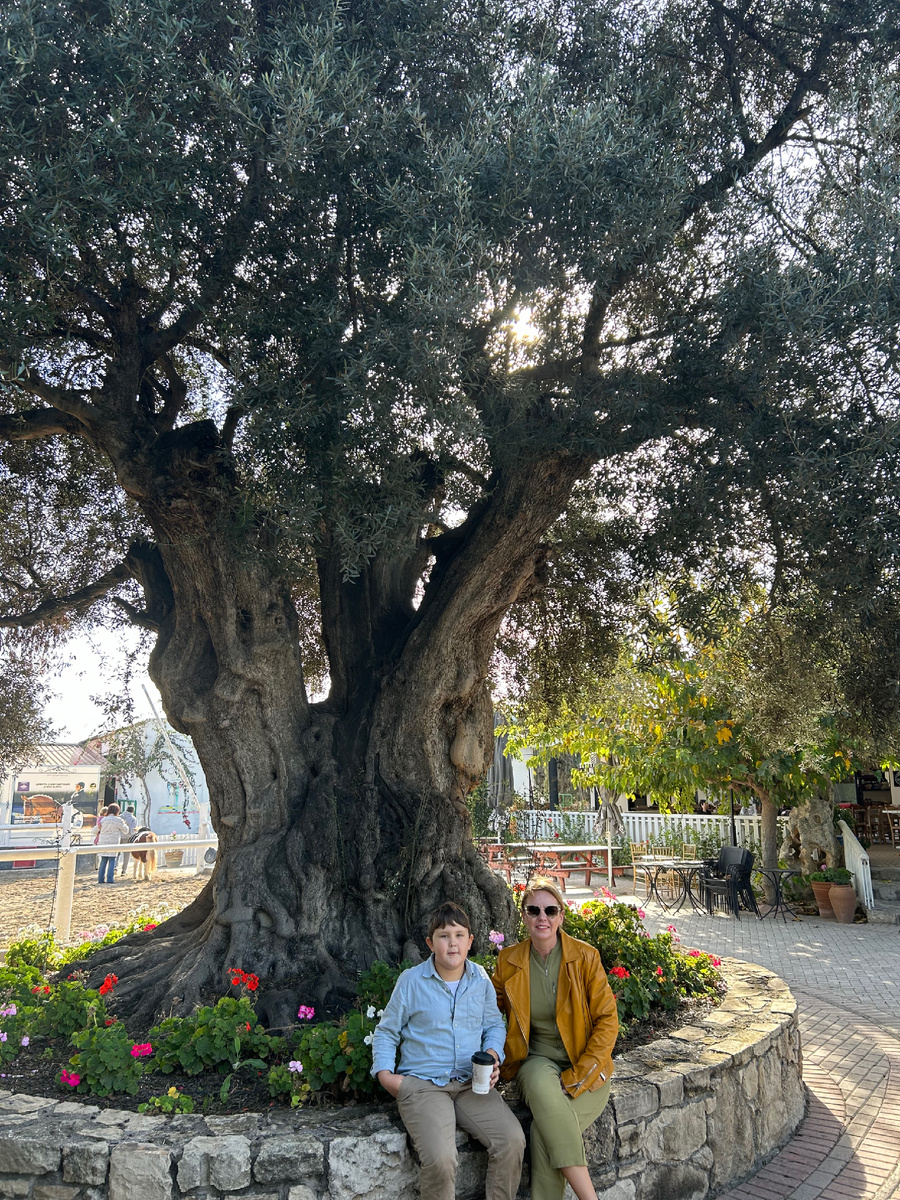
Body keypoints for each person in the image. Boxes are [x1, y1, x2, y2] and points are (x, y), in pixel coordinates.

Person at [371, 901, 525, 1200]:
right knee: (442, 1160)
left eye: (458, 935)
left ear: (470, 941)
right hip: (424, 1086)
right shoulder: (412, 982)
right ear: (430, 943)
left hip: (472, 1084)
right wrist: (387, 1077)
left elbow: (493, 1026)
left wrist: (493, 1057)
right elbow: (387, 1032)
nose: (451, 942)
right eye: (443, 935)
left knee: (512, 1140)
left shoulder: (480, 979)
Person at [492, 877, 619, 1200]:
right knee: (540, 1089)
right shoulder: (508, 961)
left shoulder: (585, 958)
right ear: (523, 916)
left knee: (542, 1130)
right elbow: (489, 1015)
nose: (542, 918)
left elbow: (607, 1020)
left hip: (586, 1065)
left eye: (550, 910)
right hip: (535, 1061)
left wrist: (580, 1075)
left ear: (562, 915)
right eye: (533, 910)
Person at [94, 803, 129, 885]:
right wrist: (125, 824)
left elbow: (94, 830)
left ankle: (100, 879)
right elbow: (126, 830)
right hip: (113, 842)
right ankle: (110, 879)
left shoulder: (103, 820)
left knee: (103, 860)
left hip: (103, 842)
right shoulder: (118, 820)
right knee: (112, 860)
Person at [119, 804, 138, 875]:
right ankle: (124, 870)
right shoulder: (133, 819)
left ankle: (115, 867)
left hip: (119, 836)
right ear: (133, 811)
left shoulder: (120, 817)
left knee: (116, 853)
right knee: (126, 855)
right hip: (128, 837)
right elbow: (133, 830)